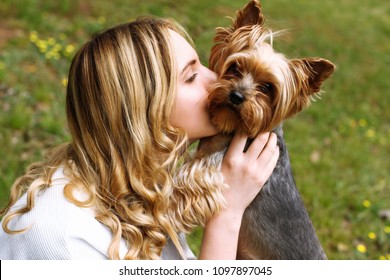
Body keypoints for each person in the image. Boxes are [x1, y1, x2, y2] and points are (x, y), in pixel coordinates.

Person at [0, 16, 279, 260]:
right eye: (191, 76)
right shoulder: (61, 239)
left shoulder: (144, 188)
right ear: (140, 111)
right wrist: (227, 213)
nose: (215, 78)